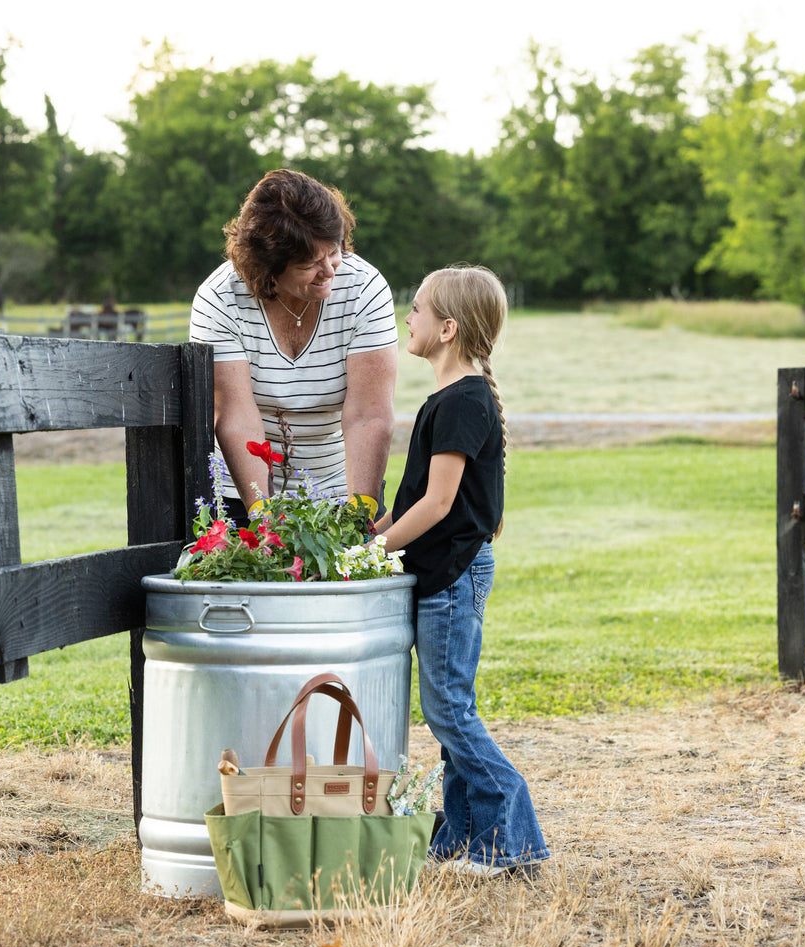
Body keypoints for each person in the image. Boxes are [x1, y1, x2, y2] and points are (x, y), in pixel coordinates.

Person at [375, 264, 549, 876]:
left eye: (417, 308)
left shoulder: (464, 400)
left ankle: (512, 840)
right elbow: (418, 496)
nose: (408, 317)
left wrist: (376, 551)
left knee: (450, 709)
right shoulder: (449, 399)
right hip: (441, 573)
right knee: (448, 708)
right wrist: (381, 530)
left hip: (453, 575)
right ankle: (462, 838)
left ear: (447, 328)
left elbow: (440, 503)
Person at [189, 169, 398, 524]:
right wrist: (263, 516)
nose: (329, 270)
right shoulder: (220, 299)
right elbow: (236, 417)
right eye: (308, 264)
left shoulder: (364, 289)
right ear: (267, 267)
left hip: (338, 489)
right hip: (243, 492)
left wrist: (358, 514)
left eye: (333, 251)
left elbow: (369, 416)